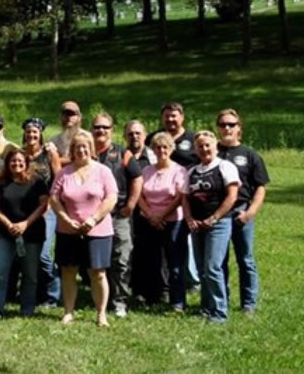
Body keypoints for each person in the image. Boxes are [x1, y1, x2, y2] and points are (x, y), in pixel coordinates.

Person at [49, 133, 118, 326]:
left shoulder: (103, 171)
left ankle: (101, 314)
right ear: (72, 150)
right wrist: (65, 218)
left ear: (91, 149)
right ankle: (69, 311)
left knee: (97, 273)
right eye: (77, 147)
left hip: (98, 230)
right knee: (68, 271)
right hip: (67, 229)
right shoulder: (64, 173)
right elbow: (54, 199)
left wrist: (94, 219)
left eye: (85, 147)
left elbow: (111, 198)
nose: (81, 150)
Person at [215, 108, 268, 314]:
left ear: (239, 128)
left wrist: (250, 212)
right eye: (223, 124)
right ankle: (222, 300)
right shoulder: (212, 151)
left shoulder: (250, 155)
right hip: (218, 214)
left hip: (241, 212)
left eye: (231, 124)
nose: (227, 128)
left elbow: (260, 187)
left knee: (245, 259)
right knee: (219, 260)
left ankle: (249, 303)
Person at [91, 113, 143, 318]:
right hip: (93, 216)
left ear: (112, 130)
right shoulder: (85, 151)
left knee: (122, 257)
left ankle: (120, 300)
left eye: (105, 127)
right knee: (94, 259)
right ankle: (96, 296)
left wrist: (130, 204)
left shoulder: (124, 153)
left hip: (118, 214)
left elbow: (137, 178)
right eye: (97, 127)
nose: (101, 131)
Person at [0, 147, 49, 317]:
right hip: (5, 234)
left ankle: (27, 310)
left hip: (32, 234)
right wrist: (9, 224)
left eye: (20, 160)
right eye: (13, 161)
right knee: (0, 272)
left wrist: (25, 224)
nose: (16, 163)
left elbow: (43, 205)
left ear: (27, 163)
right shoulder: (1, 183)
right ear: (7, 164)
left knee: (30, 275)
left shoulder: (37, 182)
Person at [185, 131, 240, 323]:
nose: (204, 149)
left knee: (213, 267)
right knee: (201, 269)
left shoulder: (226, 167)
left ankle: (220, 311)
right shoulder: (192, 171)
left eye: (208, 145)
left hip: (219, 224)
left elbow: (232, 196)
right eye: (200, 146)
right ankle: (206, 308)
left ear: (216, 146)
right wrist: (189, 218)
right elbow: (185, 198)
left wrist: (215, 217)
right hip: (197, 225)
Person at [134, 132, 189, 311]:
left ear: (171, 149)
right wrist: (150, 215)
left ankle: (177, 301)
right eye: (157, 147)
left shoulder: (179, 170)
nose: (161, 150)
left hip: (172, 221)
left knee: (175, 263)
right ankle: (153, 297)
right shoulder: (147, 171)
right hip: (148, 221)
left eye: (165, 147)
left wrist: (162, 215)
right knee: (151, 260)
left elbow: (180, 196)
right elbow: (139, 195)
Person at [20, 117, 61, 307]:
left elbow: (58, 180)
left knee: (44, 255)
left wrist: (52, 204)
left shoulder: (49, 153)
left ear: (40, 135)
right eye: (28, 132)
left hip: (47, 210)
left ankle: (53, 293)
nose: (31, 135)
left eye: (35, 132)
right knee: (28, 254)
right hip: (24, 211)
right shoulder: (20, 155)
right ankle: (34, 293)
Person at [153, 102, 199, 167]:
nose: (170, 119)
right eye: (167, 116)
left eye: (173, 116)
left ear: (182, 117)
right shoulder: (154, 137)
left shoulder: (194, 138)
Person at [50, 101, 84, 165]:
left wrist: (58, 160)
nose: (69, 117)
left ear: (79, 117)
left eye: (72, 114)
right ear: (60, 117)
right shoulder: (54, 140)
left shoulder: (86, 137)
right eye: (66, 114)